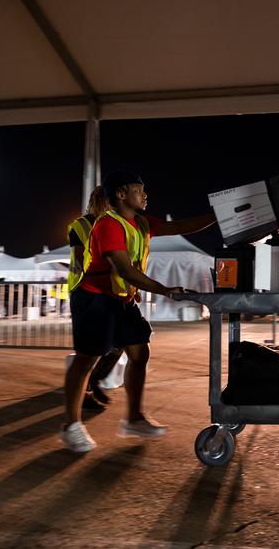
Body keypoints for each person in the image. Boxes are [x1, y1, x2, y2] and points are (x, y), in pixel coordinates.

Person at [61, 170, 216, 453]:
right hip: (94, 298)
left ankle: (133, 418)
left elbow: (182, 225)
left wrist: (219, 215)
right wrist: (166, 290)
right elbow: (125, 270)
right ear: (121, 194)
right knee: (87, 359)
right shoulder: (108, 225)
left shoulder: (142, 222)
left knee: (139, 351)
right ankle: (71, 425)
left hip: (121, 299)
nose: (145, 195)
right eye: (138, 189)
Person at [67, 186, 122, 411]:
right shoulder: (80, 225)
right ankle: (85, 394)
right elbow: (81, 259)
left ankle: (94, 381)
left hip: (111, 292)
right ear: (100, 202)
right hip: (86, 291)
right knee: (89, 350)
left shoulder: (116, 225)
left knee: (119, 344)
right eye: (110, 203)